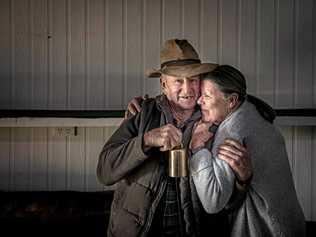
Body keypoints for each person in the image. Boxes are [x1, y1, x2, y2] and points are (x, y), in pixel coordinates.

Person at [97, 39, 250, 237]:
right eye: (178, 80)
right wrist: (146, 140)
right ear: (163, 84)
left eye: (193, 79)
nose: (187, 89)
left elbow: (227, 203)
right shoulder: (143, 114)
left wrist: (242, 181)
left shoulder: (217, 120)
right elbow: (104, 172)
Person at [189, 65, 305, 236]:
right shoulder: (251, 111)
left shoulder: (232, 131)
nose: (199, 101)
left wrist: (197, 148)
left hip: (267, 229)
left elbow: (212, 201)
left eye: (206, 95)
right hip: (289, 223)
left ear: (231, 101)